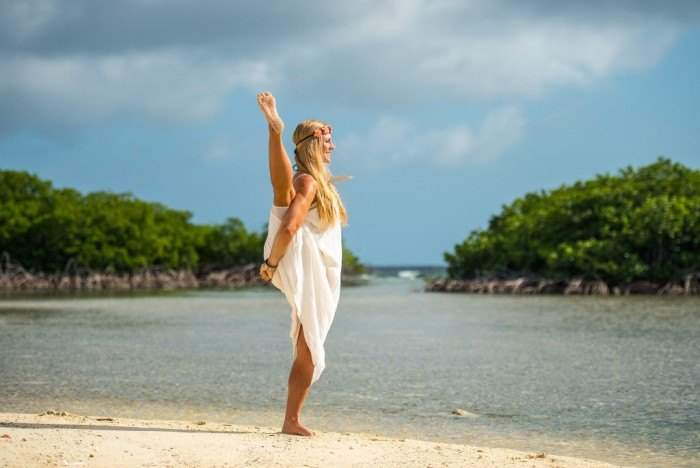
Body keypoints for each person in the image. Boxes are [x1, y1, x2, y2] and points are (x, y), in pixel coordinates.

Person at [256, 91, 348, 436]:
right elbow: (290, 225)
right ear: (312, 143)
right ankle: (291, 420)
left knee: (307, 345)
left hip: (318, 270)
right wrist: (271, 262)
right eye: (328, 140)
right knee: (309, 346)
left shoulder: (316, 183)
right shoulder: (308, 181)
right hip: (301, 259)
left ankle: (291, 419)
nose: (333, 147)